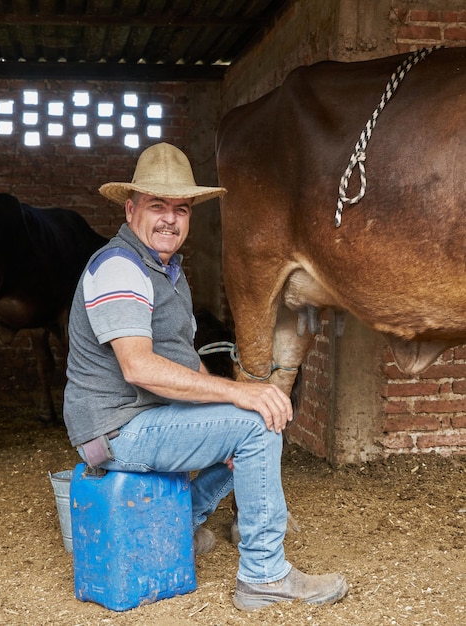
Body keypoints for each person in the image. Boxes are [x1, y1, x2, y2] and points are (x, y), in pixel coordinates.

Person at [63, 142, 348, 611]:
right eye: (157, 206)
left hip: (142, 421)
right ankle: (264, 574)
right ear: (131, 208)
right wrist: (241, 395)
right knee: (256, 424)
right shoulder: (118, 268)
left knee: (249, 425)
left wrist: (228, 408)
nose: (170, 219)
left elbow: (187, 362)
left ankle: (178, 530)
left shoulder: (168, 272)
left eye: (181, 208)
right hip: (116, 430)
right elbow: (139, 367)